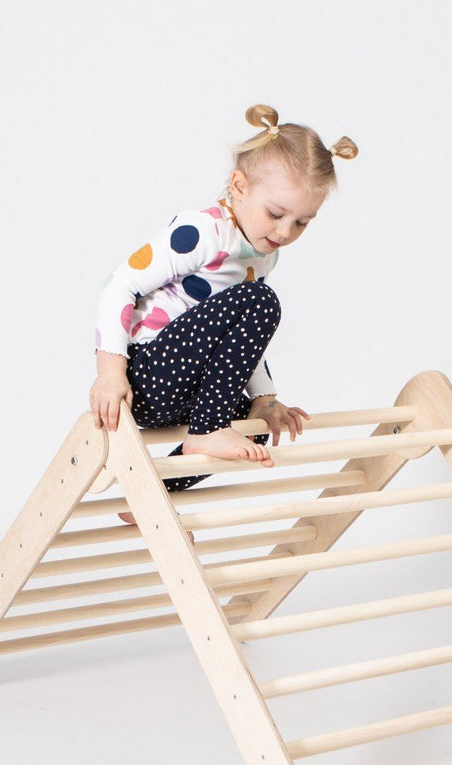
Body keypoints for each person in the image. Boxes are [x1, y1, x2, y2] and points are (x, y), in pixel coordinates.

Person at [89, 104, 358, 532]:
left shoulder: (262, 257)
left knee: (253, 428)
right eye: (276, 213)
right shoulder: (203, 231)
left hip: (187, 392)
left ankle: (150, 495)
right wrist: (110, 372)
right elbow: (120, 283)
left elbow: (242, 343)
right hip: (149, 373)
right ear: (239, 186)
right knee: (260, 302)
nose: (285, 232)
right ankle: (206, 430)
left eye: (302, 222)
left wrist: (265, 399)